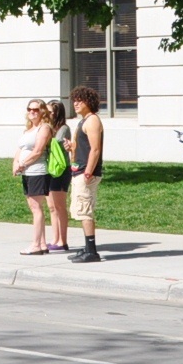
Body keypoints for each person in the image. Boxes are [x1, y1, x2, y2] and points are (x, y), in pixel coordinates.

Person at [67, 87, 105, 262]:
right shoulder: (83, 121)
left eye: (79, 100)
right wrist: (72, 147)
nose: (75, 103)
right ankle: (87, 248)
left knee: (85, 210)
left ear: (88, 102)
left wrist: (89, 171)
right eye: (75, 100)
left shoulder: (92, 121)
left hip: (86, 173)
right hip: (79, 170)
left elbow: (95, 149)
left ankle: (92, 251)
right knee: (80, 210)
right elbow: (85, 148)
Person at [13, 99, 52, 256]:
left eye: (36, 109)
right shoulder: (28, 130)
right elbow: (20, 149)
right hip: (27, 172)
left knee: (36, 208)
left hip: (37, 171)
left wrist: (22, 163)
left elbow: (38, 151)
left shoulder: (44, 128)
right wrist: (15, 163)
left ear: (42, 111)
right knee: (34, 207)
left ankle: (36, 245)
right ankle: (42, 243)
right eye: (30, 109)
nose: (32, 112)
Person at [46, 100, 72, 253]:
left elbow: (57, 145)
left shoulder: (63, 129)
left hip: (61, 170)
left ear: (57, 113)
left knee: (59, 206)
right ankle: (55, 238)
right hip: (50, 169)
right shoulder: (48, 128)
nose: (48, 114)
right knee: (51, 207)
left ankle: (63, 241)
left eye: (50, 111)